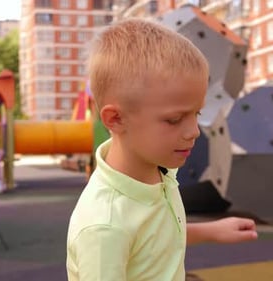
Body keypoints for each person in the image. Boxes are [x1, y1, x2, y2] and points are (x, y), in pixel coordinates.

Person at [66, 18, 258, 281]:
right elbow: (128, 233)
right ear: (116, 119)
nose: (194, 131)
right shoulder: (104, 228)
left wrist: (212, 230)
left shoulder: (157, 170)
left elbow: (152, 236)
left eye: (196, 113)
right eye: (174, 120)